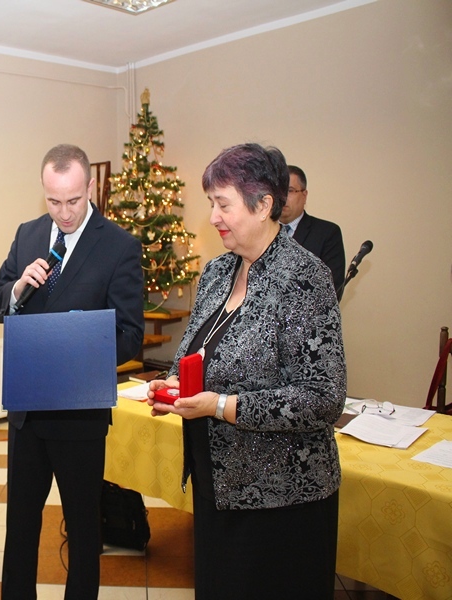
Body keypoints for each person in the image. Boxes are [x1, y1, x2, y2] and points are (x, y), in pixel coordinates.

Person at [147, 144, 346, 599]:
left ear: (262, 205)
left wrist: (220, 405)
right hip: (218, 486)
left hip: (282, 501)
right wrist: (173, 382)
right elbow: (195, 350)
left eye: (223, 204)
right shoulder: (218, 271)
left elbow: (323, 397)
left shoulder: (304, 278)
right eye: (211, 203)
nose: (213, 217)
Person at [0, 144, 144, 599]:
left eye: (73, 200)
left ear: (89, 187)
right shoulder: (28, 234)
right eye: (54, 201)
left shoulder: (119, 246)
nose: (64, 212)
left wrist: (77, 344)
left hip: (79, 417)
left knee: (83, 528)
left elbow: (131, 335)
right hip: (27, 415)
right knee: (20, 527)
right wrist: (17, 288)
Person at [279, 165, 346, 297]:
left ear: (304, 196)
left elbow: (332, 289)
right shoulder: (259, 232)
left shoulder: (327, 233)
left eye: (290, 191)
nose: (283, 197)